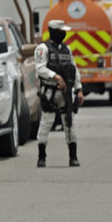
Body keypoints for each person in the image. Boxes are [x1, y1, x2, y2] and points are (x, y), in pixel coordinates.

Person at [34, 19, 83, 167]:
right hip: (49, 92)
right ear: (54, 32)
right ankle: (41, 157)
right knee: (46, 122)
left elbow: (74, 70)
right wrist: (56, 77)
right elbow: (40, 69)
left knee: (69, 124)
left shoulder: (66, 50)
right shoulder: (43, 48)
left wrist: (79, 89)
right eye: (61, 32)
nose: (64, 34)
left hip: (66, 93)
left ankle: (73, 157)